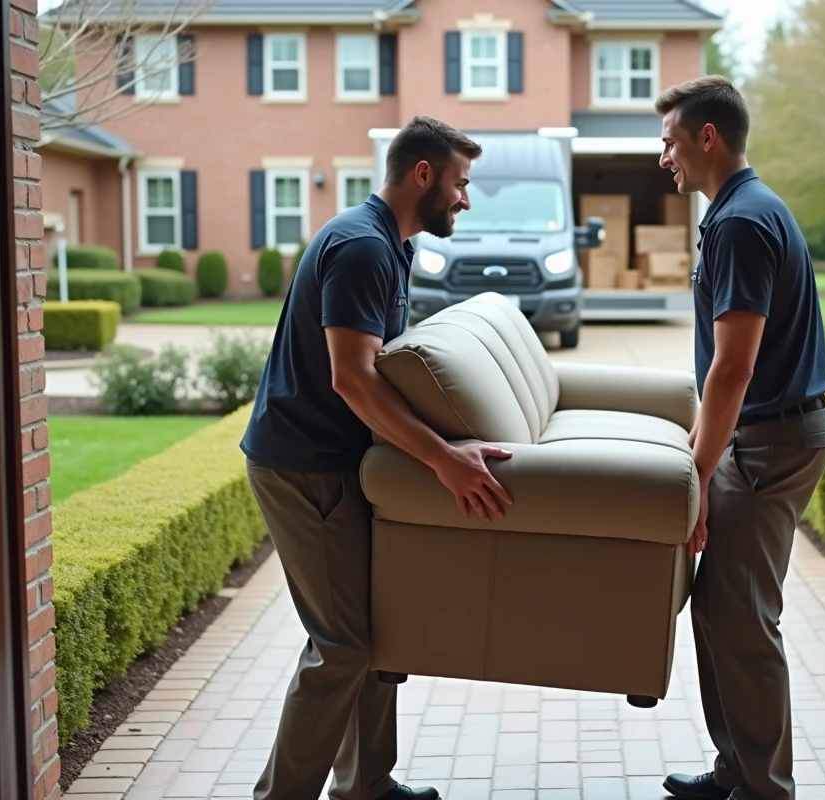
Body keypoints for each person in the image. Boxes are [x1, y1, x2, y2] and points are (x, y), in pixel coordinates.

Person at [239, 115, 515, 800]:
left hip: (334, 461)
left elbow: (389, 368)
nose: (465, 199)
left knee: (372, 633)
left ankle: (365, 783)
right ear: (423, 175)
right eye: (460, 184)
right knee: (343, 646)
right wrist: (443, 460)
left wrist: (454, 434)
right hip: (306, 467)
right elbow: (352, 379)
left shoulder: (391, 246)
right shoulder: (362, 247)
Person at [654, 76, 825, 800]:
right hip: (764, 437)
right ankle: (738, 770)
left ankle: (765, 788)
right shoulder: (741, 210)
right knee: (723, 611)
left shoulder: (739, 222)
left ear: (708, 137)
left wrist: (695, 473)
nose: (662, 156)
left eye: (669, 141)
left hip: (771, 444)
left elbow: (733, 368)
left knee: (747, 620)